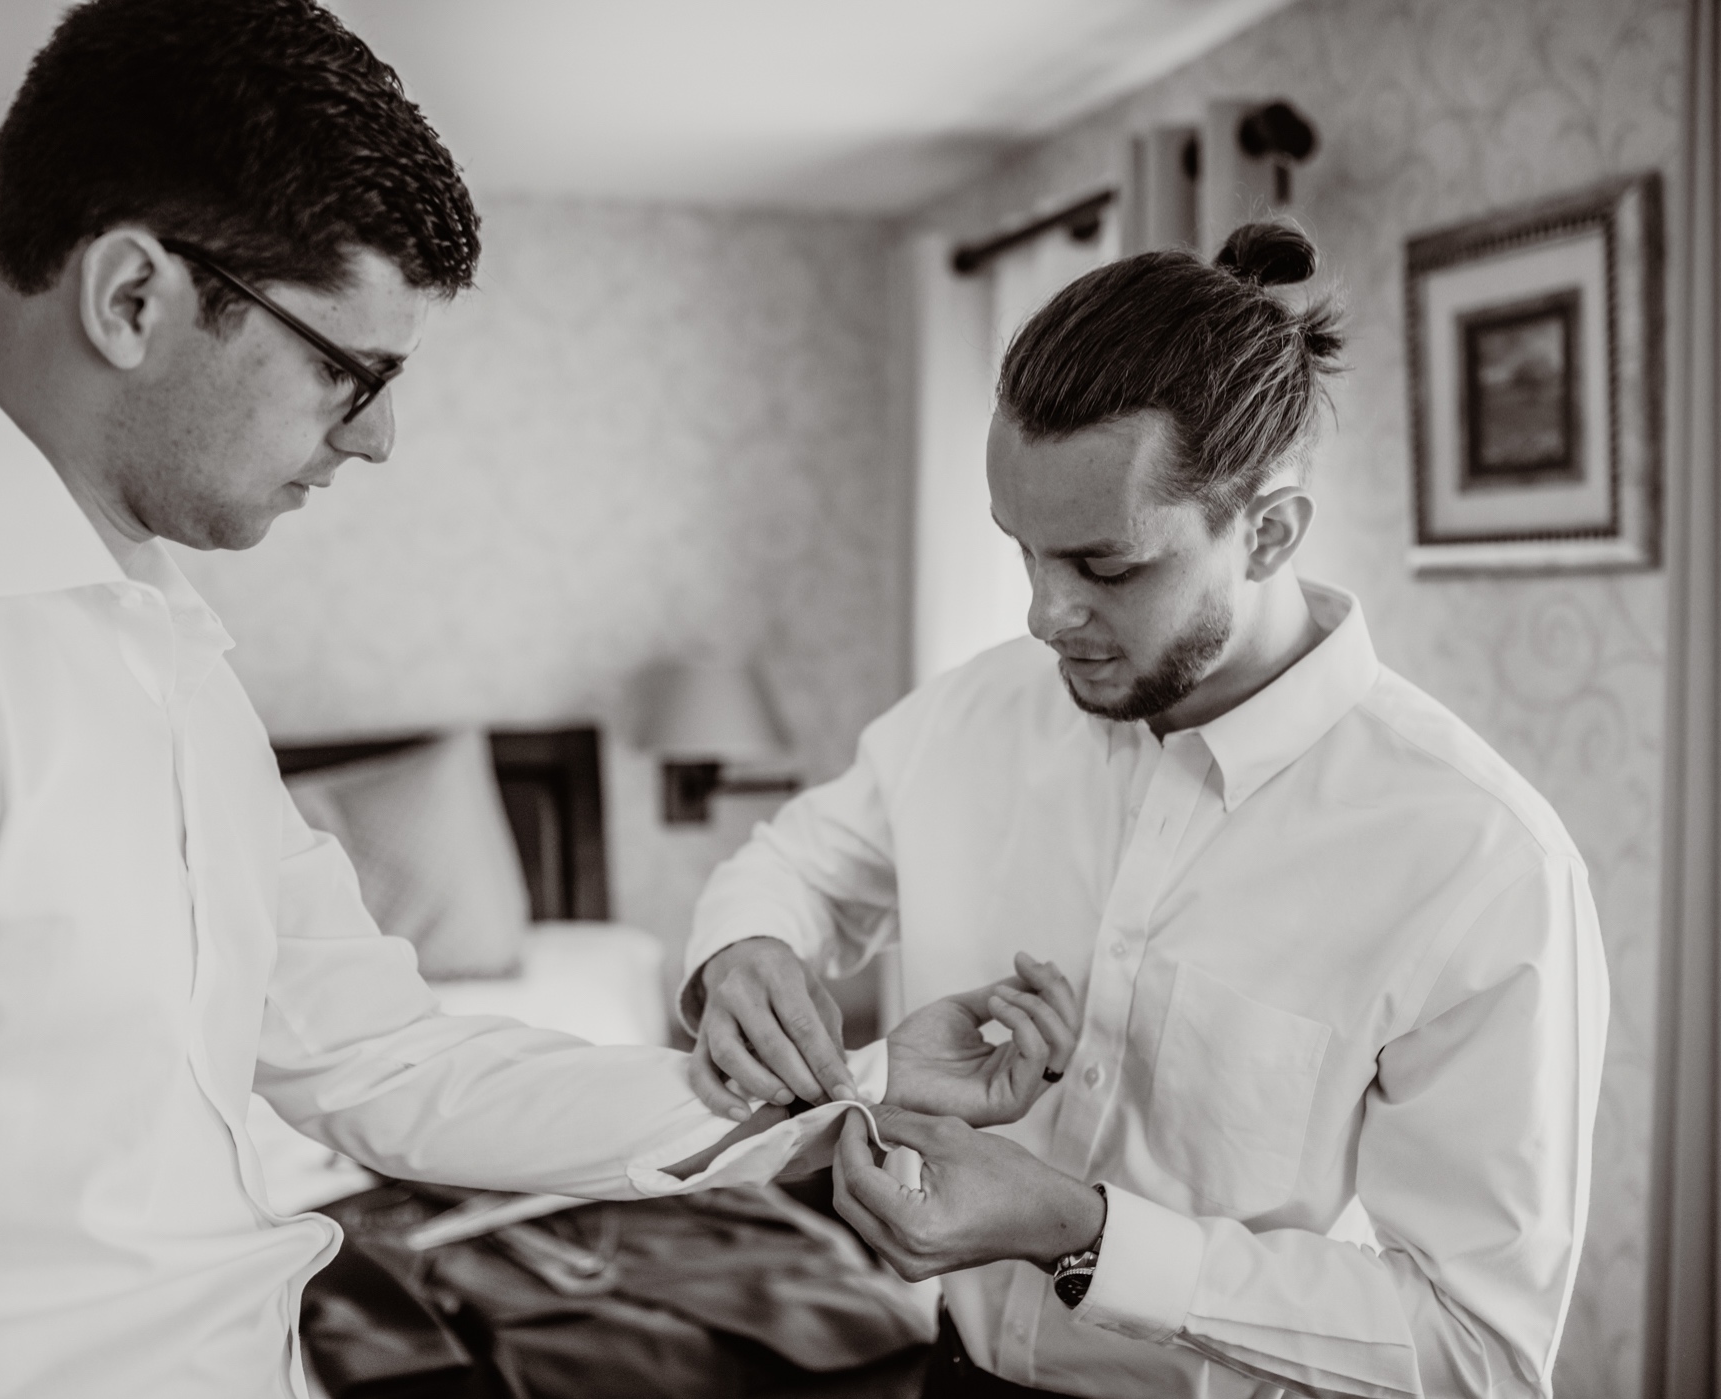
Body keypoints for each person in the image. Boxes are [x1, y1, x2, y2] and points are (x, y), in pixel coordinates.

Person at [0, 4, 1085, 1395]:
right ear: (133, 297)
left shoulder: (166, 643)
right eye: (347, 372)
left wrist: (846, 1087)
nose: (378, 436)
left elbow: (379, 1059)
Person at [682, 226, 1610, 1398]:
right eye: (1020, 551)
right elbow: (796, 865)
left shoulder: (1478, 861)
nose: (1041, 614)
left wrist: (1085, 1231)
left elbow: (1476, 1347)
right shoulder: (979, 714)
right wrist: (745, 952)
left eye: (1105, 568)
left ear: (1267, 531)